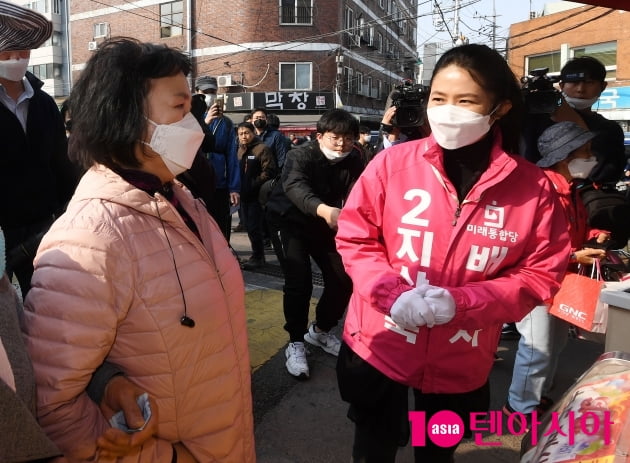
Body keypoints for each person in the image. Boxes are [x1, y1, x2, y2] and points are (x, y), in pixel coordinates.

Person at [334, 44, 571, 463]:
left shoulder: (534, 188)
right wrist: (391, 293)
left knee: (438, 452)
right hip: (380, 344)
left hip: (462, 356)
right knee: (373, 446)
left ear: (499, 108)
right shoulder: (392, 164)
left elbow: (540, 274)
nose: (447, 111)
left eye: (466, 101)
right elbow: (356, 237)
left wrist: (461, 303)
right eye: (438, 99)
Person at [21, 38, 254, 462]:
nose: (194, 125)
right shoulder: (91, 238)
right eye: (180, 109)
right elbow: (52, 407)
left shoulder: (181, 200)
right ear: (126, 119)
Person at [505, 121, 609, 420]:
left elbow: (572, 230)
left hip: (563, 279)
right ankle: (518, 409)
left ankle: (540, 395)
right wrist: (575, 254)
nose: (593, 159)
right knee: (537, 347)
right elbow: (525, 244)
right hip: (537, 282)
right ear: (566, 156)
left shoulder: (570, 189)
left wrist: (593, 235)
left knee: (554, 344)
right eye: (586, 152)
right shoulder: (539, 190)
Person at [265, 108, 364, 379]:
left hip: (326, 224)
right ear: (319, 136)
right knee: (300, 282)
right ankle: (295, 341)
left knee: (343, 278)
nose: (342, 144)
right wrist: (326, 210)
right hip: (289, 222)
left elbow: (358, 192)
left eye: (348, 138)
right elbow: (296, 187)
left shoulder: (354, 157)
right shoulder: (301, 155)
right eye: (335, 138)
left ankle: (320, 331)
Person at [0, 0, 78, 298]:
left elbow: (62, 163)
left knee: (48, 301)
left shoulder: (44, 103)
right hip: (2, 233)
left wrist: (68, 211)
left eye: (24, 51)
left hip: (46, 227)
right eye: (8, 52)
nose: (18, 59)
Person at [195, 75, 240, 241]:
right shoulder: (191, 119)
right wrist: (204, 123)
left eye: (213, 91)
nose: (210, 95)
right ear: (197, 93)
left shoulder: (226, 123)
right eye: (205, 92)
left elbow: (232, 156)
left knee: (221, 228)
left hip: (219, 184)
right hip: (197, 185)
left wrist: (234, 187)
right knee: (200, 228)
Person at [237, 121, 277, 270]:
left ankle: (258, 257)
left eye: (246, 133)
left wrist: (254, 183)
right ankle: (256, 255)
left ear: (253, 133)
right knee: (248, 225)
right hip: (243, 194)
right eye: (240, 134)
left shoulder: (262, 149)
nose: (244, 136)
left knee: (255, 226)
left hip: (257, 195)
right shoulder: (240, 150)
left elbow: (270, 171)